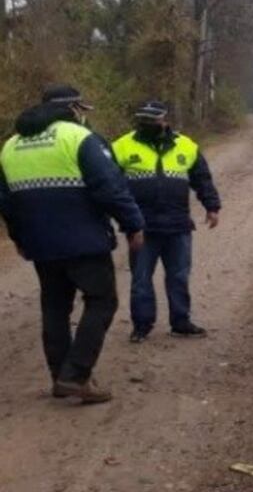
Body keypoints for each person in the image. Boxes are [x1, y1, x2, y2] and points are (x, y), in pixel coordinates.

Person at [0, 84, 145, 403]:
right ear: (74, 109)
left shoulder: (11, 145)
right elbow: (110, 187)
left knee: (54, 307)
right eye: (82, 110)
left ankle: (60, 377)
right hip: (84, 240)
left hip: (41, 245)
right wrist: (133, 224)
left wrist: (20, 238)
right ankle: (76, 374)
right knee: (102, 300)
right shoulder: (78, 138)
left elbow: (6, 202)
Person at [111, 100, 221, 343]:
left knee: (179, 276)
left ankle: (181, 322)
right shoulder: (121, 146)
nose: (148, 123)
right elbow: (110, 186)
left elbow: (202, 178)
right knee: (141, 279)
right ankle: (141, 326)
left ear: (165, 120)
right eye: (143, 119)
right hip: (141, 227)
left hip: (178, 225)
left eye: (153, 119)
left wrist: (212, 206)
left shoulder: (186, 145)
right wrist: (121, 218)